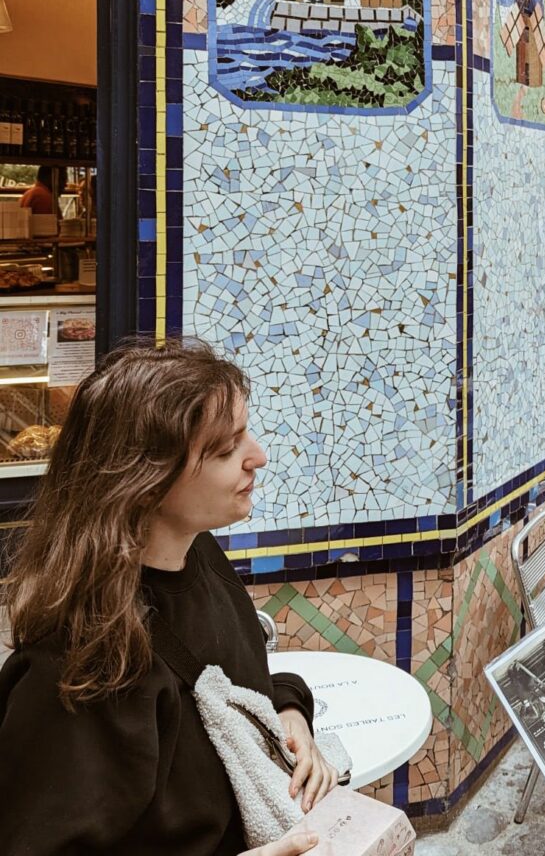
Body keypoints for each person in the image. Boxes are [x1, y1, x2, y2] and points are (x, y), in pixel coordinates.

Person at [0, 339, 338, 856]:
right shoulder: (80, 664)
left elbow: (230, 678)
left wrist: (289, 715)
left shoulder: (199, 554)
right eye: (225, 449)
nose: (258, 457)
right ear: (145, 479)